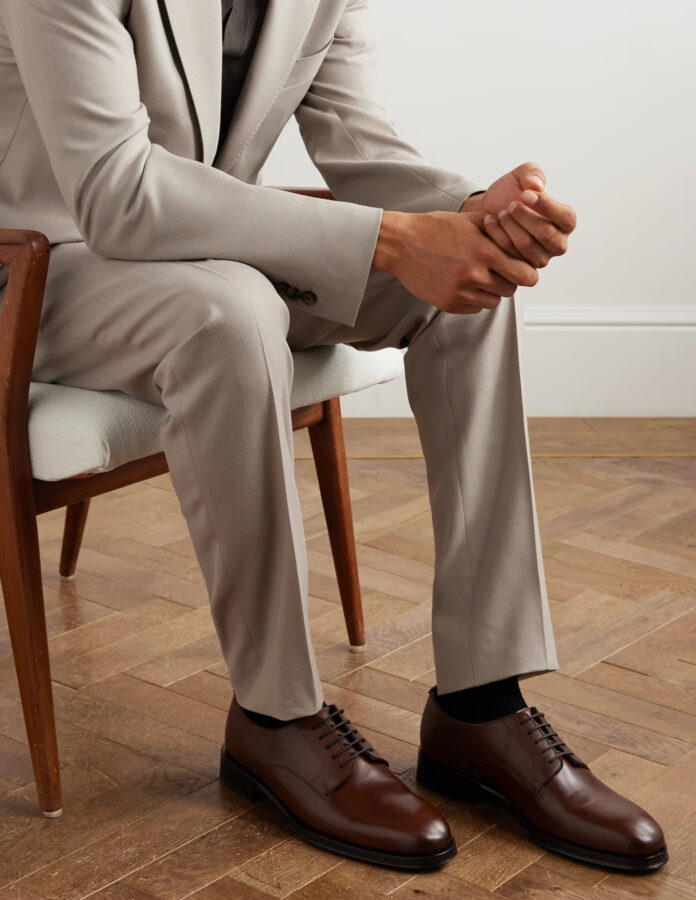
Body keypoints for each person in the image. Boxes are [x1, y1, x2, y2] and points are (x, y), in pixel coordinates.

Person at [0, 0, 667, 874]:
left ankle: (481, 704)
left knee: (468, 286)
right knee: (232, 315)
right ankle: (273, 719)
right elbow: (118, 192)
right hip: (45, 266)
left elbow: (362, 146)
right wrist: (391, 239)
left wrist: (471, 215)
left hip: (197, 251)